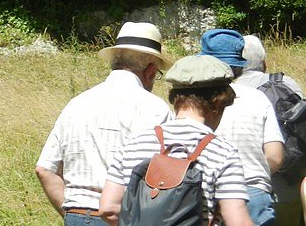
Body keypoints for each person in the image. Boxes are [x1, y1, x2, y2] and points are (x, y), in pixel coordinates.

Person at [35, 21, 174, 224]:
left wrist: (74, 215)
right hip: (126, 217)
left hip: (76, 216)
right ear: (151, 71)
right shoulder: (156, 109)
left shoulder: (77, 104)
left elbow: (44, 170)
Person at [99, 55, 253, 226]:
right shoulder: (223, 152)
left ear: (175, 99)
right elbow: (238, 221)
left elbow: (108, 208)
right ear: (218, 104)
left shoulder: (134, 143)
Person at [199, 29, 284, 226]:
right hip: (253, 193)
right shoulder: (257, 98)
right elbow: (275, 155)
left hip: (206, 195)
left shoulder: (193, 102)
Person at [239, 34, 305, 226]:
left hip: (243, 192)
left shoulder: (226, 92)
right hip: (288, 185)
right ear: (264, 63)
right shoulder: (286, 83)